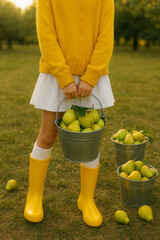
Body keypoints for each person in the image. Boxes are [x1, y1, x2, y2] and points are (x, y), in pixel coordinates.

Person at [24, 0, 115, 227]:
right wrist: (64, 78)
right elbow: (46, 33)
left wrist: (91, 75)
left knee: (90, 140)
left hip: (90, 77)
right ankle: (34, 196)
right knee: (48, 135)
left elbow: (106, 36)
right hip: (56, 74)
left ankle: (86, 199)